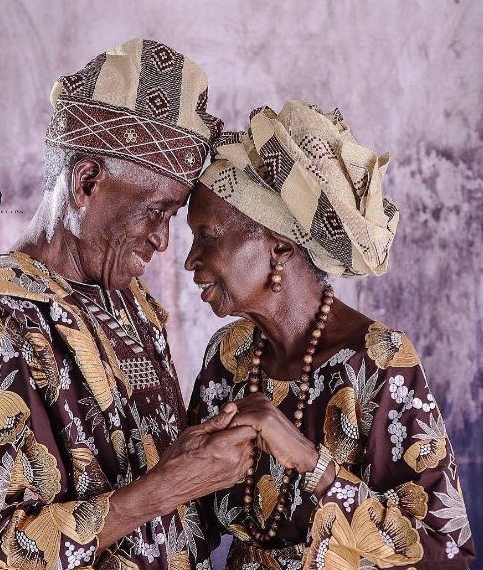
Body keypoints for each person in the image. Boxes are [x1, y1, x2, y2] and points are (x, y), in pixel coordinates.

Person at [0, 38, 258, 570]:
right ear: (87, 182)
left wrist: (199, 461)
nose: (163, 241)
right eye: (155, 211)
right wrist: (162, 489)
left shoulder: (130, 301)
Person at [186, 101, 475, 569]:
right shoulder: (230, 356)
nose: (190, 261)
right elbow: (190, 520)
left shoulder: (379, 360)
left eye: (208, 236)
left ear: (278, 243)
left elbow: (444, 554)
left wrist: (310, 462)